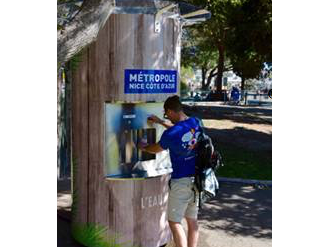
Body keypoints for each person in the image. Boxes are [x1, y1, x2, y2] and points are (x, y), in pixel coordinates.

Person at [138, 95, 202, 247]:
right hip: (198, 179)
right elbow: (179, 131)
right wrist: (160, 122)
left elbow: (156, 148)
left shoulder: (171, 134)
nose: (167, 117)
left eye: (166, 115)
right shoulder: (196, 122)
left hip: (181, 182)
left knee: (174, 221)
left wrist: (144, 147)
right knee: (192, 220)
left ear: (171, 111)